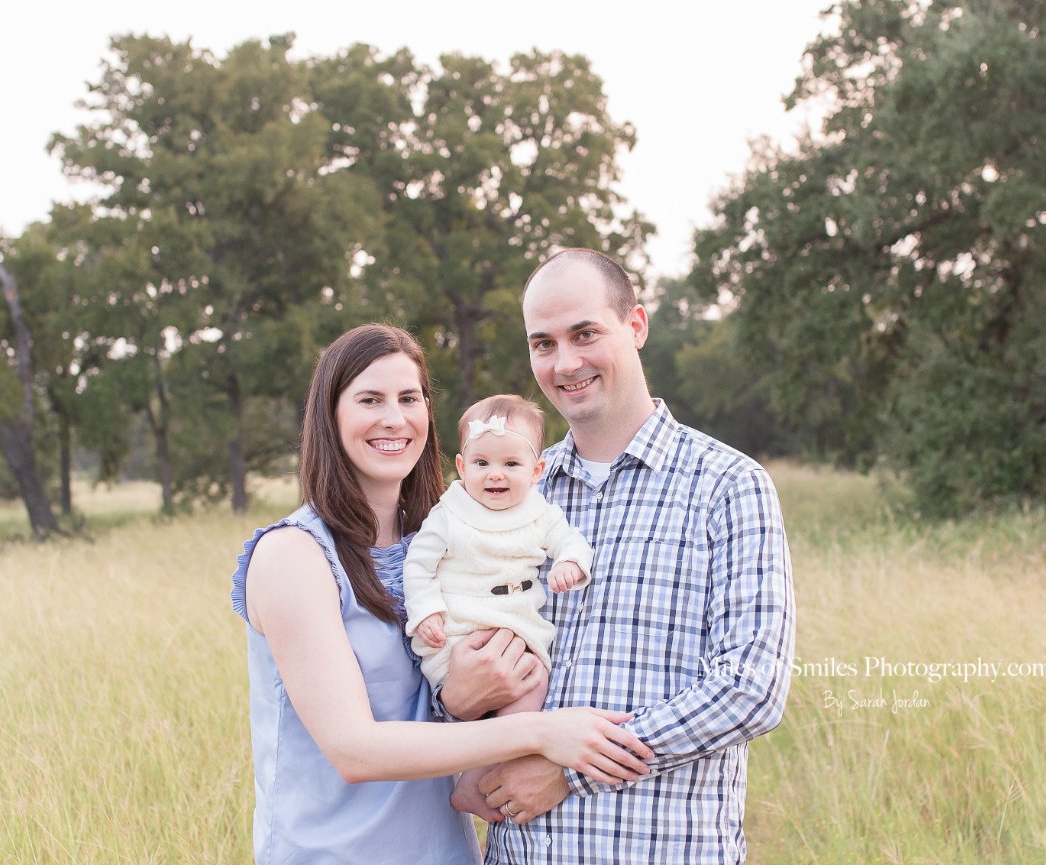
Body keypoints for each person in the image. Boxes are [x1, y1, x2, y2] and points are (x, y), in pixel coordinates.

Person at [229, 323, 654, 865]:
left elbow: (443, 708)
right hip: (333, 853)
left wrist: (465, 697)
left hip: (443, 852)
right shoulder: (295, 555)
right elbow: (354, 750)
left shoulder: (436, 543)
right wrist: (544, 732)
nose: (394, 418)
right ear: (330, 416)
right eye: (369, 399)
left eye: (410, 398)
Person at [440, 250, 796, 864]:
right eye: (543, 344)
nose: (566, 363)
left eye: (585, 334)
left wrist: (569, 767)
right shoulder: (514, 494)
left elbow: (750, 687)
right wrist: (457, 700)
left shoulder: (727, 484)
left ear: (635, 326)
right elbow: (466, 666)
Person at [403, 394, 594, 817]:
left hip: (517, 627)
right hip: (457, 631)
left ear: (537, 470)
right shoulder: (450, 512)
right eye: (482, 463)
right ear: (461, 466)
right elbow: (419, 563)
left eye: (511, 464)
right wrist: (426, 611)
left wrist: (569, 563)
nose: (496, 475)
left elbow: (571, 543)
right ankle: (473, 775)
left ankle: (477, 780)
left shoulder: (540, 512)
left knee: (532, 686)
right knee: (487, 696)